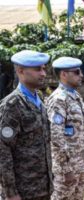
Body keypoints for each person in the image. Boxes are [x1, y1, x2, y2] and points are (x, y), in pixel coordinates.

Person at [0, 50, 53, 200]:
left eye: (44, 68)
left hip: (43, 187)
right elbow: (3, 151)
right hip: (23, 191)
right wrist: (11, 193)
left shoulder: (39, 101)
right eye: (38, 69)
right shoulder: (12, 104)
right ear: (20, 71)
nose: (43, 73)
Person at [46, 57, 84, 200]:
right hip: (66, 169)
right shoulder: (59, 99)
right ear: (63, 74)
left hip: (80, 165)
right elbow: (56, 136)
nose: (81, 75)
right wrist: (66, 169)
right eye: (76, 72)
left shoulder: (75, 96)